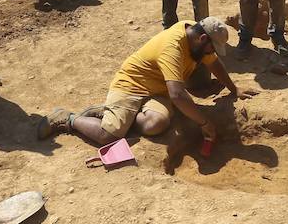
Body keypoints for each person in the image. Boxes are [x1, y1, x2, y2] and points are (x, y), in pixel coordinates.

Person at [37, 18, 244, 145]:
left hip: (158, 91)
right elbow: (177, 95)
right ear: (203, 39)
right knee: (108, 136)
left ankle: (114, 113)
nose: (212, 53)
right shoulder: (173, 47)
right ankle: (67, 118)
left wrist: (234, 89)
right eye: (212, 48)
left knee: (157, 124)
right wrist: (205, 123)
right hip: (130, 85)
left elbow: (214, 64)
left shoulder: (196, 34)